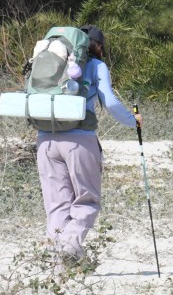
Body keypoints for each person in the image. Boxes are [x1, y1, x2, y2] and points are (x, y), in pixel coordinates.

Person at [37, 25, 141, 267]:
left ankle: (56, 258)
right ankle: (70, 247)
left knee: (57, 203)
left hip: (44, 140)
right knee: (86, 200)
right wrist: (133, 121)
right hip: (79, 139)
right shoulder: (96, 65)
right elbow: (111, 102)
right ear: (98, 47)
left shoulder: (51, 61)